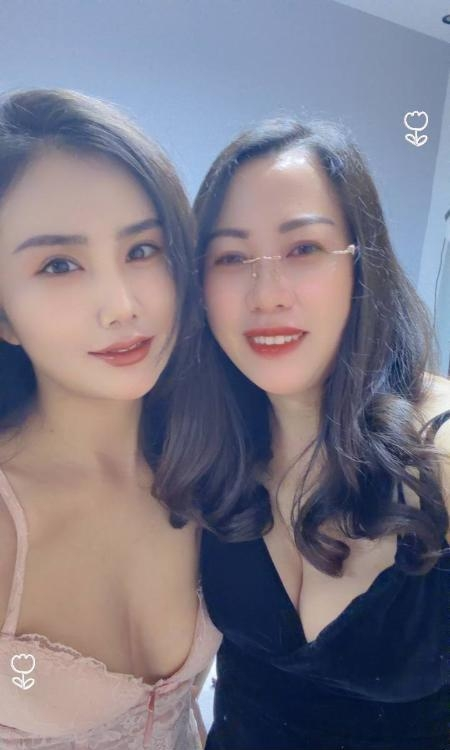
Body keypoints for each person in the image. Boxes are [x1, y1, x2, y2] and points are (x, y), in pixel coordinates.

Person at [195, 119, 450, 750]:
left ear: (362, 264)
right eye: (231, 257)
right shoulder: (207, 447)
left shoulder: (439, 448)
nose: (267, 294)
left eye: (303, 248)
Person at [0, 89, 222, 750]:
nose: (122, 305)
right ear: (5, 316)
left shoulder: (211, 465)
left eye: (143, 250)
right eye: (59, 264)